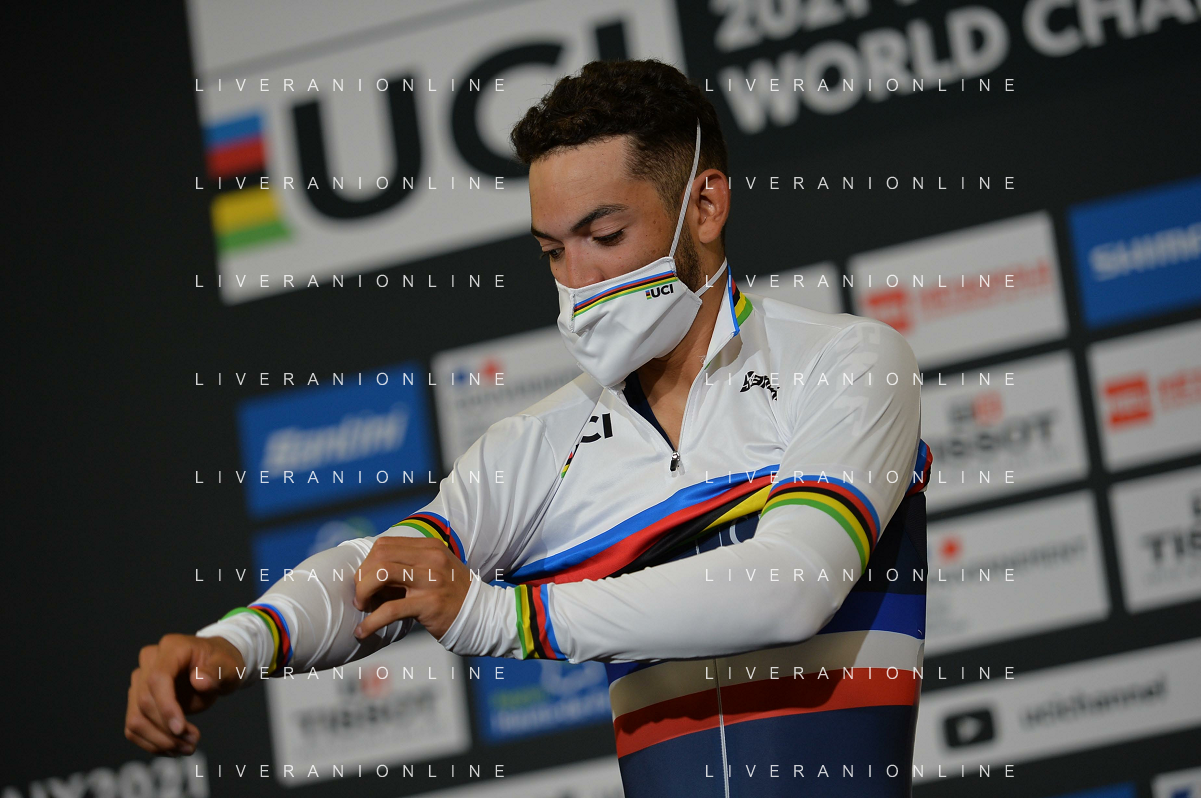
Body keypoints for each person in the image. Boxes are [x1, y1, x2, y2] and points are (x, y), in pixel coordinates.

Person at [126, 58, 932, 797]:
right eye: (552, 251)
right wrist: (234, 644)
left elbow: (789, 587)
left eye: (605, 237)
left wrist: (507, 619)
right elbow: (383, 571)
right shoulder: (543, 443)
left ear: (705, 205)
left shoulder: (848, 362)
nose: (578, 284)